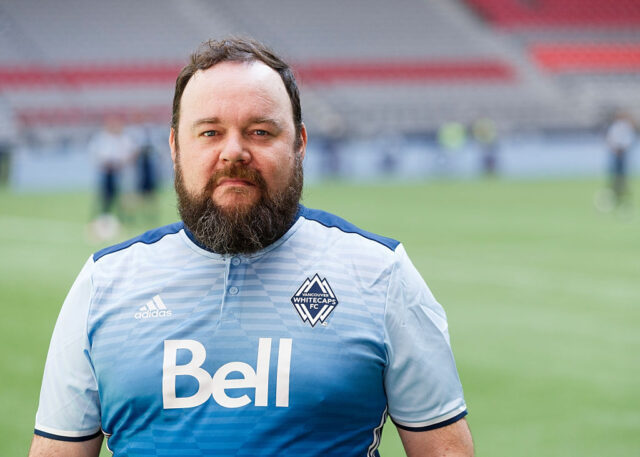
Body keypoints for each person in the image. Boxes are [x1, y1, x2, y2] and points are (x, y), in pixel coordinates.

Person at [29, 38, 474, 457]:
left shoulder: (380, 274)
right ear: (174, 147)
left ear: (299, 144)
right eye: (209, 133)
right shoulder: (105, 283)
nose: (234, 152)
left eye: (260, 132)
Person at [87, 116, 136, 239]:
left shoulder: (124, 139)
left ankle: (121, 223)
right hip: (106, 173)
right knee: (104, 199)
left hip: (118, 172)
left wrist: (121, 163)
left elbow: (131, 153)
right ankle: (101, 224)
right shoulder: (101, 139)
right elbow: (95, 155)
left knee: (120, 200)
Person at [605, 111, 636, 207]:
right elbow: (610, 140)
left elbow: (629, 140)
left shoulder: (626, 127)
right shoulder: (615, 127)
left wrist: (622, 149)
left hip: (623, 155)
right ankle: (615, 192)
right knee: (615, 175)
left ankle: (622, 192)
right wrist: (615, 149)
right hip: (615, 155)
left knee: (622, 175)